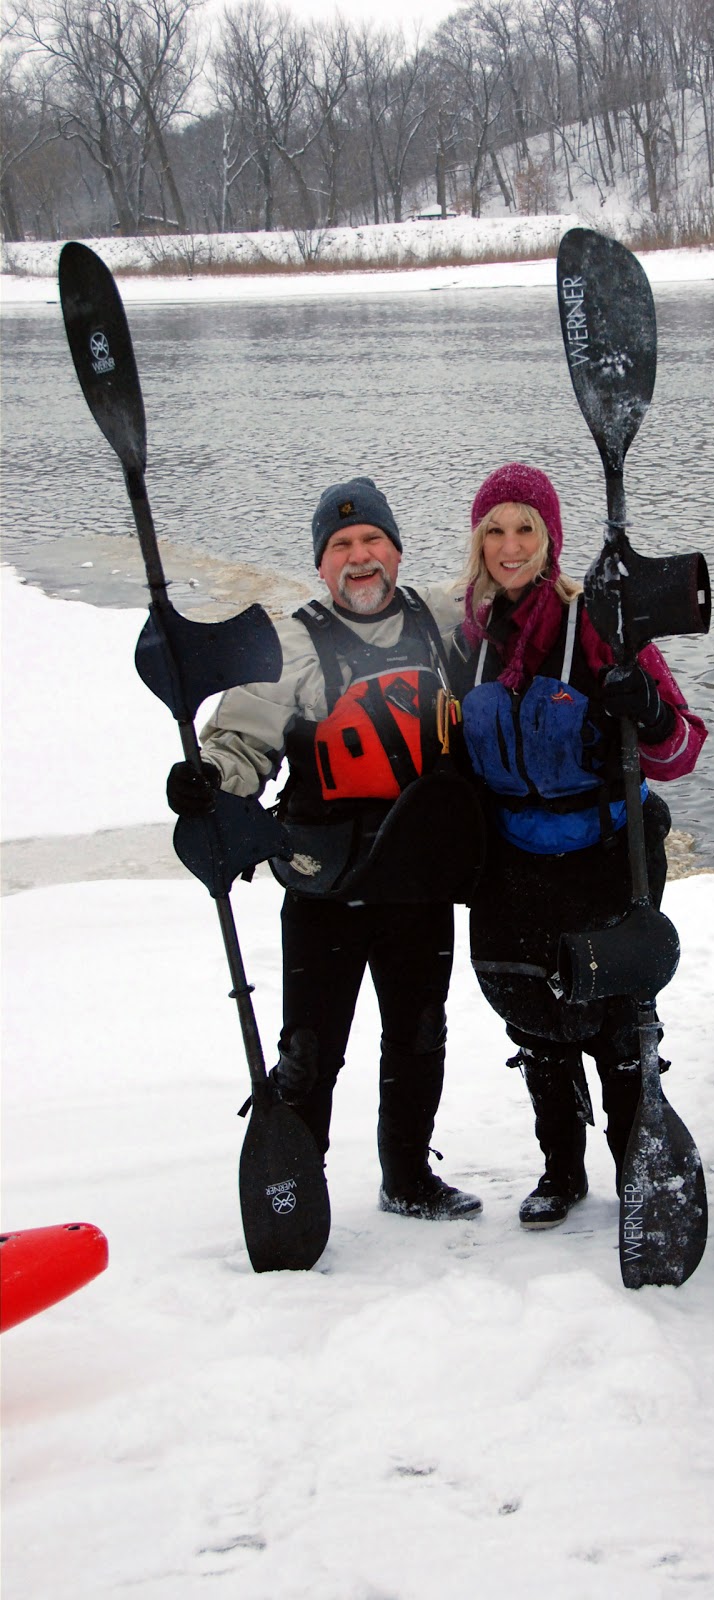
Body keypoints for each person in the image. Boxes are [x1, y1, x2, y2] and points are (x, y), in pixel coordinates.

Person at [165, 476, 483, 1221]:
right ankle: (297, 1190)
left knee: (418, 1036)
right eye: (340, 545)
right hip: (324, 885)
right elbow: (242, 741)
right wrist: (208, 778)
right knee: (310, 1051)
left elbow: (515, 591)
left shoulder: (440, 620)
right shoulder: (292, 645)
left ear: (396, 552)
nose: (359, 556)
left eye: (371, 540)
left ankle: (406, 1178)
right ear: (321, 564)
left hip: (418, 880)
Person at [450, 463, 707, 1229]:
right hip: (512, 862)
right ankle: (561, 1170)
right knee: (534, 1020)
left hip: (601, 855)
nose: (509, 545)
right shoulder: (468, 637)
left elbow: (681, 749)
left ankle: (640, 1166)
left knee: (617, 1023)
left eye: (524, 527)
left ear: (551, 538)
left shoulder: (597, 622)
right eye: (494, 529)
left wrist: (649, 710)